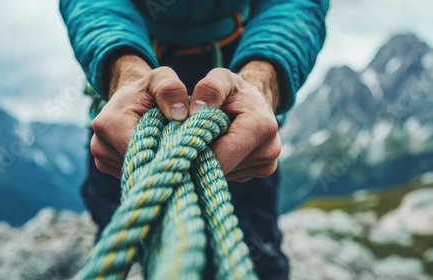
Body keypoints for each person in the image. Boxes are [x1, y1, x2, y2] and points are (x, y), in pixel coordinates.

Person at [60, 1, 328, 279]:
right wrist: (123, 71)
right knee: (115, 224)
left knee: (256, 248)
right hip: (130, 69)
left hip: (239, 63)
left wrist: (262, 82)